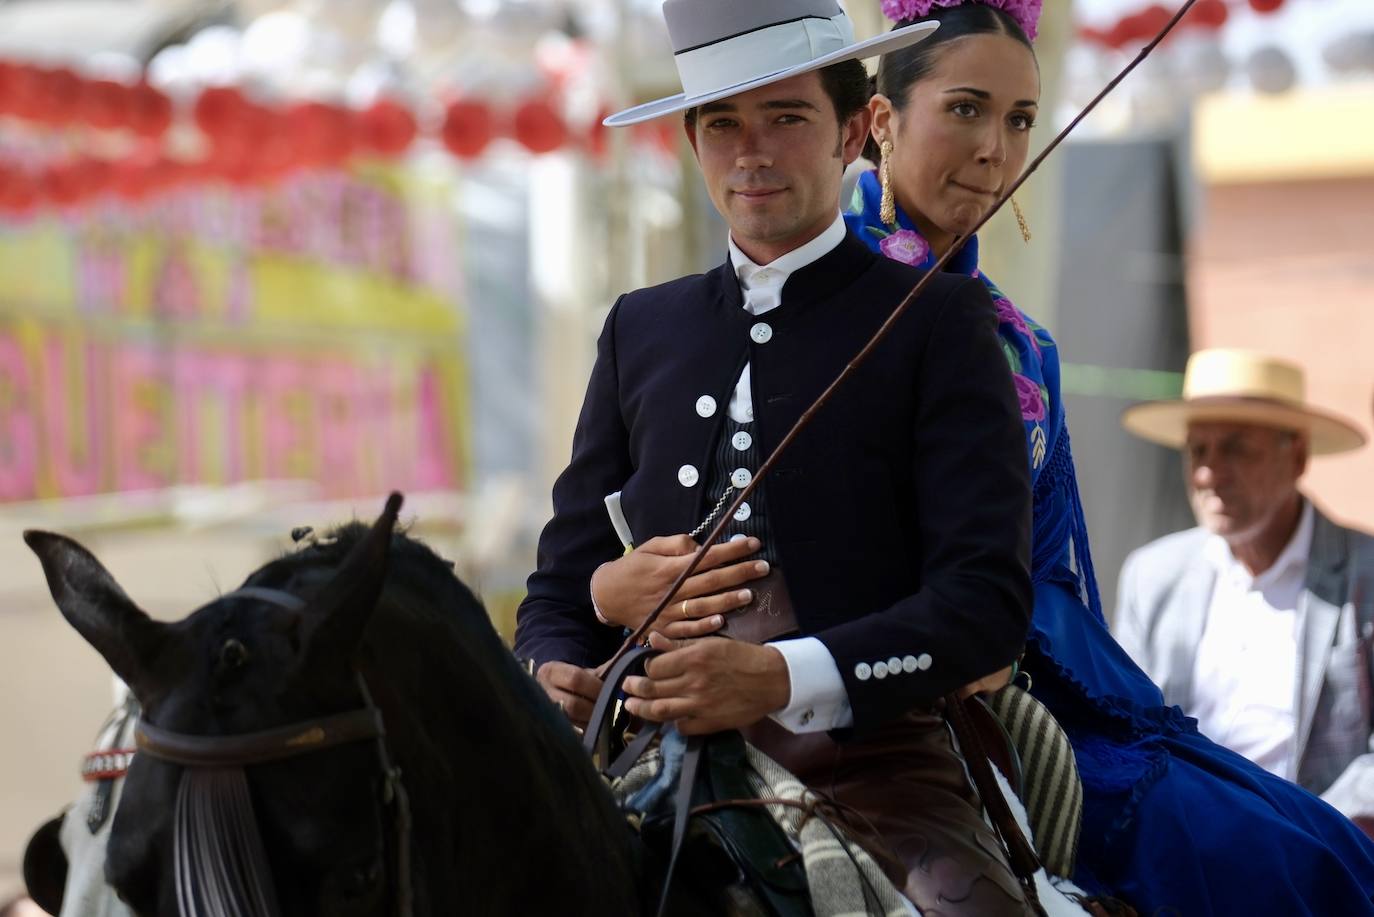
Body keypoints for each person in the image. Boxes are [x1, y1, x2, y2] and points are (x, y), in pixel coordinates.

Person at [847, 2, 1374, 914]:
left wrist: (997, 626)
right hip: (855, 673)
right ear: (881, 121)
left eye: (1019, 120)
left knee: (1313, 853)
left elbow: (1051, 567)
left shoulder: (1023, 345)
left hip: (1024, 682)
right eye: (966, 109)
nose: (996, 150)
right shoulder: (814, 300)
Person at [515, 1, 1041, 912]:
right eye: (724, 125)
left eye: (787, 119)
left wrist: (781, 675)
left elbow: (985, 604)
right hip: (642, 759)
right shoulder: (640, 327)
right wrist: (560, 657)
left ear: (853, 130)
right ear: (693, 144)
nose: (751, 152)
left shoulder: (941, 325)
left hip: (873, 770)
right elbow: (558, 588)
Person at [1116, 348, 1374, 814]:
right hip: (1170, 851)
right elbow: (1121, 727)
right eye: (1198, 449)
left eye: (1235, 448)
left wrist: (1308, 841)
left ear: (1296, 457)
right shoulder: (1153, 577)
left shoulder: (1365, 574)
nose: (1208, 473)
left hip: (1319, 865)